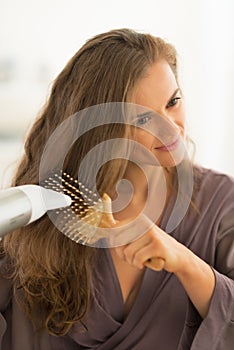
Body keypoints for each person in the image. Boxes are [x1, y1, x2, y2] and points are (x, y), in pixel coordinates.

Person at [0, 28, 234, 350]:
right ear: (98, 129)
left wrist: (184, 262)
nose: (171, 128)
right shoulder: (41, 218)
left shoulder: (221, 205)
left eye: (173, 102)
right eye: (141, 119)